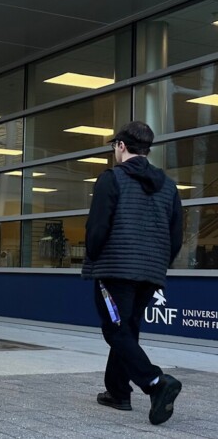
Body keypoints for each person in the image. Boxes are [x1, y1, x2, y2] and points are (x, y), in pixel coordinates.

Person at [82, 121, 184, 425]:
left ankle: (155, 382)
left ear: (121, 146)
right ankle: (117, 392)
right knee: (127, 328)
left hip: (115, 268)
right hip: (150, 271)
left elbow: (97, 227)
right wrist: (159, 263)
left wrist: (94, 258)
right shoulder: (168, 185)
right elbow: (176, 234)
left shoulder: (111, 179)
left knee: (115, 329)